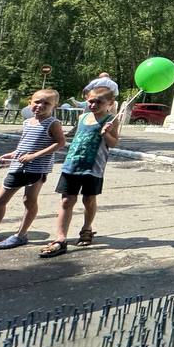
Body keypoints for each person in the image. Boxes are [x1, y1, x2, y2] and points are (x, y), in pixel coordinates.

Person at [0, 89, 66, 250]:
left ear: (55, 105)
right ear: (30, 102)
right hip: (17, 166)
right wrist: (11, 155)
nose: (40, 105)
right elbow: (24, 144)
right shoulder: (27, 122)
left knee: (28, 201)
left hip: (36, 169)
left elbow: (60, 143)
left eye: (46, 103)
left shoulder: (53, 123)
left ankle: (21, 235)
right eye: (37, 102)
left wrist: (34, 156)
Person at [40, 85, 126, 257]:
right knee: (66, 201)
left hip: (93, 168)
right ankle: (60, 238)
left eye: (98, 102)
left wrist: (106, 134)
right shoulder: (83, 117)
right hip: (71, 164)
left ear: (109, 103)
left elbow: (113, 143)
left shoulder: (111, 120)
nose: (93, 105)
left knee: (88, 199)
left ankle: (87, 228)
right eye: (91, 101)